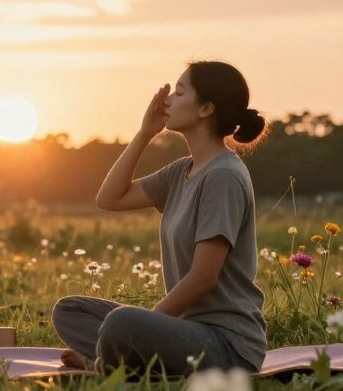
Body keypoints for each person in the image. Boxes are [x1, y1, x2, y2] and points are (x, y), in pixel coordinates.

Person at [52, 60, 267, 375]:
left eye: (179, 92)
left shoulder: (224, 176)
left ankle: (102, 364)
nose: (167, 100)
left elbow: (204, 277)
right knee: (70, 310)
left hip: (227, 346)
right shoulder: (182, 171)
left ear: (206, 108)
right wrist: (144, 134)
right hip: (185, 331)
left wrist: (147, 324)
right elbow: (109, 198)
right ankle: (121, 356)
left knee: (121, 323)